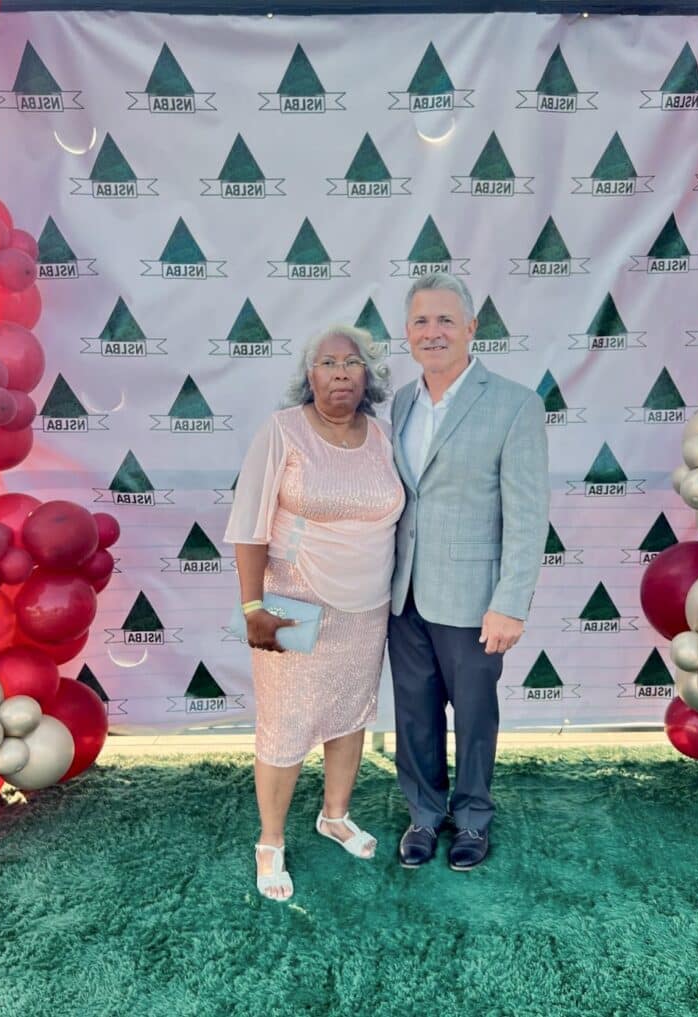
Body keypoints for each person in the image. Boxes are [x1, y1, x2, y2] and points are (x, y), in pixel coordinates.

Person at [225, 325, 405, 901]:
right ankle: (271, 841)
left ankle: (334, 815)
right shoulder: (282, 432)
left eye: (353, 364)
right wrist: (253, 606)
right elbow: (249, 524)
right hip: (290, 599)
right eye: (329, 363)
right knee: (285, 721)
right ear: (310, 375)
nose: (342, 374)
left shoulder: (382, 436)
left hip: (367, 603)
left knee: (350, 712)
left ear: (367, 377)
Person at [388, 272, 549, 871]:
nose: (434, 333)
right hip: (403, 596)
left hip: (475, 598)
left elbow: (528, 514)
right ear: (407, 334)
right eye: (422, 322)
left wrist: (511, 601)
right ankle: (425, 815)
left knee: (476, 715)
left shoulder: (514, 403)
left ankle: (473, 819)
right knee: (413, 713)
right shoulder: (400, 402)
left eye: (446, 320)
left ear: (471, 329)